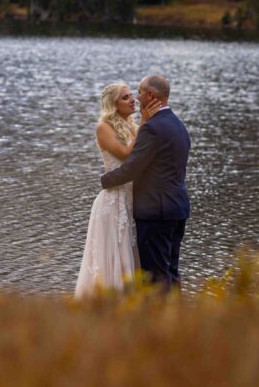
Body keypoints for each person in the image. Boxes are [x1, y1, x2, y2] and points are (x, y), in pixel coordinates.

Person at [100, 74, 191, 292]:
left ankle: (161, 323)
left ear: (150, 95)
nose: (137, 98)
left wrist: (105, 180)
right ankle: (177, 321)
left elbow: (132, 167)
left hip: (156, 213)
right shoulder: (178, 125)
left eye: (139, 92)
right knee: (171, 272)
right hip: (177, 208)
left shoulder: (152, 128)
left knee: (156, 279)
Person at [74, 82, 161, 298]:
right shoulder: (103, 127)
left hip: (133, 197)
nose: (132, 100)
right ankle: (108, 300)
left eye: (132, 95)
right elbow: (124, 154)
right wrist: (144, 123)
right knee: (113, 253)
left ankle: (131, 303)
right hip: (114, 199)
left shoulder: (130, 124)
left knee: (132, 253)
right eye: (125, 97)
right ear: (113, 104)